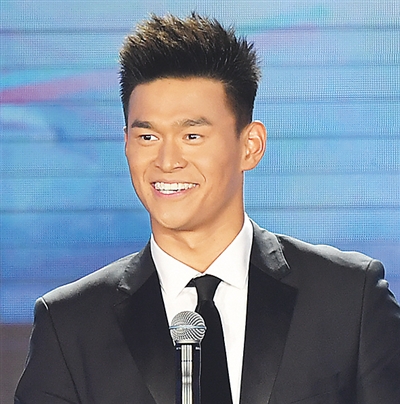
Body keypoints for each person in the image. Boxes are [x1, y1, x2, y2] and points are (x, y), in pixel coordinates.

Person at [15, 13, 400, 404]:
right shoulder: (70, 325)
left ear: (250, 146)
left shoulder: (349, 298)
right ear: (126, 143)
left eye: (192, 135)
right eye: (147, 136)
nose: (167, 161)